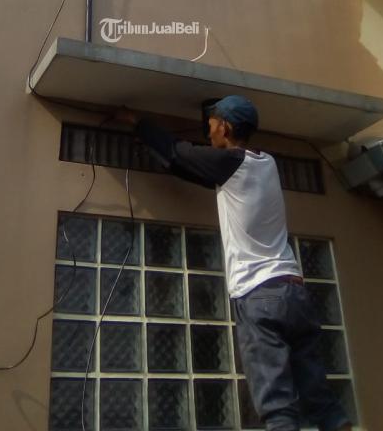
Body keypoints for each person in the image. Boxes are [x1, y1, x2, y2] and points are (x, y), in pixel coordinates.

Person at [115, 95, 352, 431]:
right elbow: (194, 167)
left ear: (225, 127)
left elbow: (177, 152)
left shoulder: (230, 164)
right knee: (320, 401)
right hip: (294, 290)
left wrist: (136, 121)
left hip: (260, 294)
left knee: (278, 407)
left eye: (211, 124)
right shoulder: (266, 163)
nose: (208, 132)